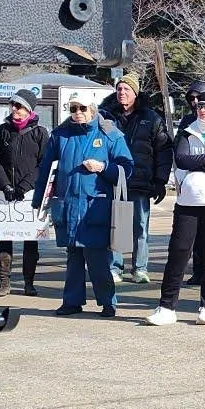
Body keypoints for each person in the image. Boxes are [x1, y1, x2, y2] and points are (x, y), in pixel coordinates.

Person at [147, 83, 205, 325]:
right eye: (198, 106)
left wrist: (202, 161)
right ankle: (166, 307)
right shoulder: (188, 131)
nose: (202, 110)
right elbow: (180, 159)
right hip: (188, 201)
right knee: (178, 253)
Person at [35, 97, 133, 316]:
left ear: (92, 109)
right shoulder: (60, 135)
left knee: (97, 258)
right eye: (73, 109)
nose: (77, 112)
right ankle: (72, 301)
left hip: (96, 205)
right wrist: (39, 202)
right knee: (73, 257)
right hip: (69, 204)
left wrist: (103, 167)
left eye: (82, 108)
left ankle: (108, 302)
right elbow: (45, 170)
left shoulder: (110, 134)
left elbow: (127, 168)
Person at [100, 74, 170, 284]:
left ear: (136, 92)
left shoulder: (151, 118)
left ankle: (139, 268)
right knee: (118, 225)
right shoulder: (107, 116)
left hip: (142, 180)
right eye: (119, 89)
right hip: (115, 179)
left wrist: (160, 180)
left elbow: (164, 150)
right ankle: (115, 267)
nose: (122, 93)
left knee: (140, 227)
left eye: (126, 89)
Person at [0, 89, 49, 297]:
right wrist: (5, 184)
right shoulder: (3, 130)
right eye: (13, 105)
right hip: (4, 193)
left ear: (29, 110)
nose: (15, 109)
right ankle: (4, 282)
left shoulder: (40, 132)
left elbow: (44, 163)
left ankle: (28, 282)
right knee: (5, 239)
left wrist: (25, 186)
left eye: (19, 106)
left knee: (30, 240)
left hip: (29, 194)